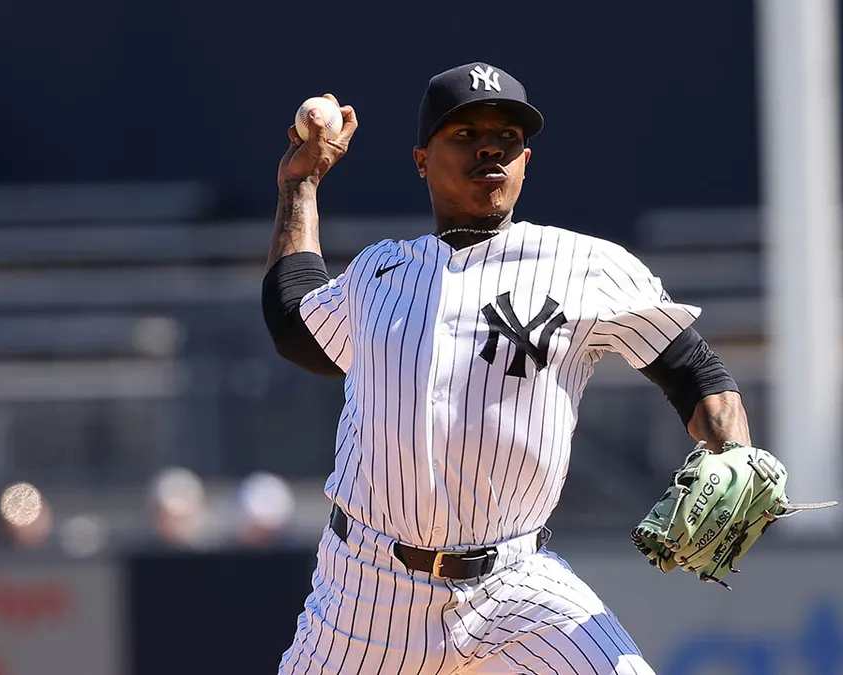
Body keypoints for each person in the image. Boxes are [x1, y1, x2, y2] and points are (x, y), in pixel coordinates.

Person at [263, 62, 749, 674]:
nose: (490, 145)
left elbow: (694, 372)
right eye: (464, 133)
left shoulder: (585, 266)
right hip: (366, 589)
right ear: (420, 160)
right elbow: (294, 326)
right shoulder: (378, 273)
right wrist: (299, 187)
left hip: (516, 589)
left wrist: (733, 450)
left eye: (508, 137)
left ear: (526, 162)